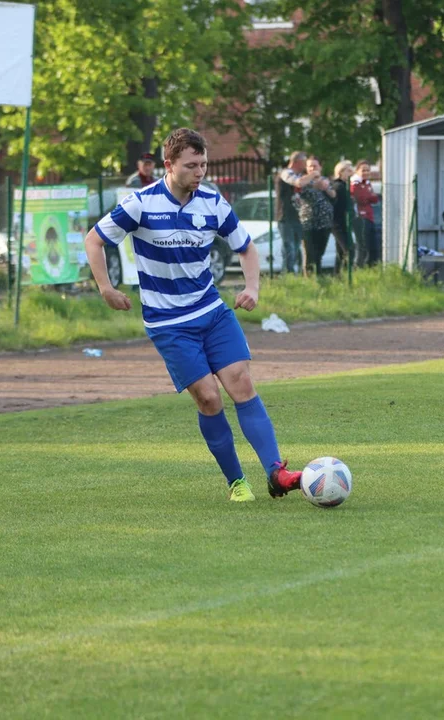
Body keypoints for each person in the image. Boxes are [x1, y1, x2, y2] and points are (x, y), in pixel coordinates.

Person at [84, 128, 303, 503]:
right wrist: (105, 287)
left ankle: (276, 473)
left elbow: (247, 248)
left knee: (241, 383)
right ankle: (237, 482)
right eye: (191, 165)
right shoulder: (140, 203)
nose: (199, 172)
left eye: (203, 164)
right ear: (169, 165)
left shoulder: (213, 203)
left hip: (211, 311)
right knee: (208, 398)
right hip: (168, 324)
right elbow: (94, 239)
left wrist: (252, 288)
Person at [276, 151, 314, 273]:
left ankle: (294, 276)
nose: (305, 166)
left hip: (297, 216)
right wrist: (314, 174)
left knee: (296, 248)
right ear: (297, 162)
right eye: (304, 163)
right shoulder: (286, 173)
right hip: (285, 216)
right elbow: (298, 182)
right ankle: (288, 275)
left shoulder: (299, 175)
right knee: (289, 248)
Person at [297, 156, 336, 274]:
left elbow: (333, 195)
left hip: (324, 221)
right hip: (308, 222)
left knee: (319, 253)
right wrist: (314, 183)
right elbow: (301, 190)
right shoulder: (302, 180)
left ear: (320, 167)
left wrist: (325, 188)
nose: (312, 168)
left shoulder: (326, 180)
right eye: (310, 166)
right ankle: (308, 278)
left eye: (315, 166)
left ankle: (318, 276)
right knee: (310, 253)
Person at [350, 160, 380, 266]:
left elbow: (375, 199)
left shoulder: (367, 183)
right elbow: (361, 198)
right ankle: (358, 270)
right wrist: (370, 195)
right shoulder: (355, 183)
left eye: (368, 170)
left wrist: (370, 196)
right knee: (363, 248)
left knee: (374, 248)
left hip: (370, 217)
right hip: (361, 218)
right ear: (357, 171)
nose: (366, 172)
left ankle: (371, 271)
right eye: (363, 170)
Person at [331, 160, 355, 273]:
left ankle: (338, 276)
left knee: (340, 252)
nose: (351, 173)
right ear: (340, 172)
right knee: (349, 250)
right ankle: (347, 273)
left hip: (344, 222)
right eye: (348, 170)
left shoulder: (345, 185)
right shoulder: (338, 186)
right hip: (338, 223)